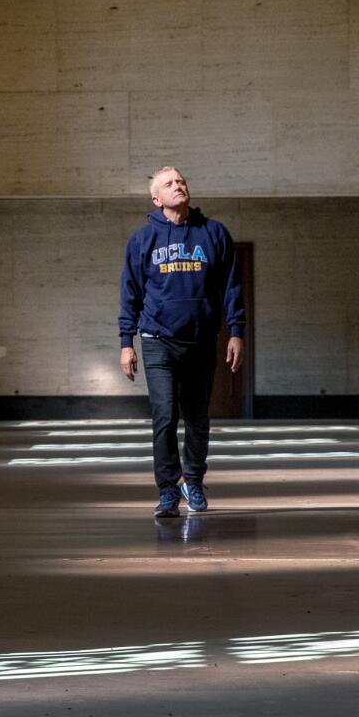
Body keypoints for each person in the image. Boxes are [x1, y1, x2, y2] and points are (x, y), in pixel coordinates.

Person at [117, 166, 245, 518]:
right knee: (164, 416)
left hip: (202, 341)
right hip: (157, 340)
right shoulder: (142, 240)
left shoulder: (214, 233)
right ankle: (168, 491)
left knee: (197, 418)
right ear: (157, 199)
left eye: (182, 181)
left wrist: (236, 332)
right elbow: (129, 294)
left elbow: (232, 287)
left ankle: (194, 480)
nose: (179, 186)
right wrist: (126, 342)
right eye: (170, 184)